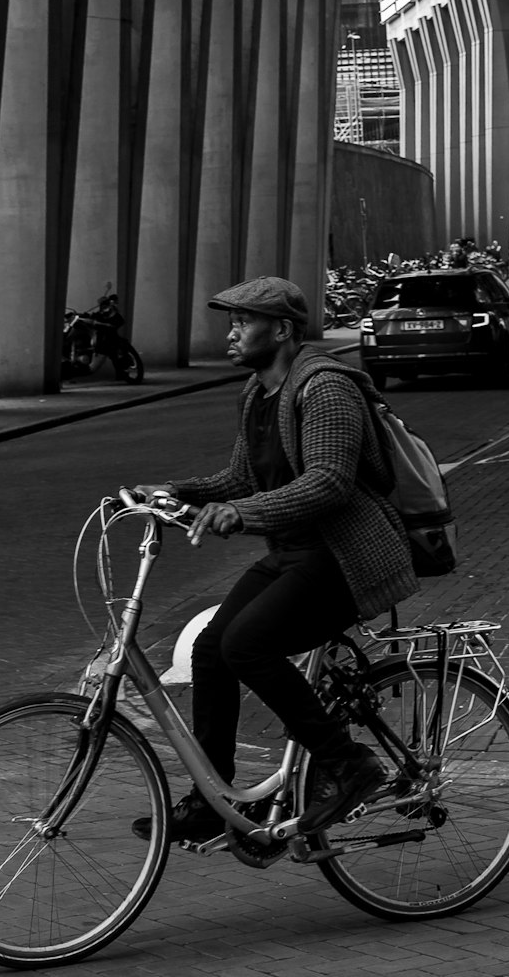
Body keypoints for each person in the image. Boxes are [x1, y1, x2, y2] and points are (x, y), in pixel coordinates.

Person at [132, 275, 417, 844]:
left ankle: (348, 765)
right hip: (294, 553)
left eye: (243, 323)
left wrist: (243, 513)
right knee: (213, 648)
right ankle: (215, 799)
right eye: (231, 322)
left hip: (346, 556)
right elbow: (241, 477)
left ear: (282, 330)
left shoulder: (325, 387)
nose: (231, 334)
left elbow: (330, 482)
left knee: (247, 645)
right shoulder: (258, 392)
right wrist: (177, 492)